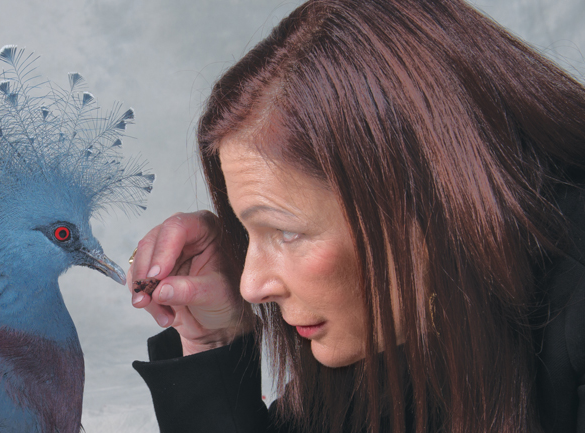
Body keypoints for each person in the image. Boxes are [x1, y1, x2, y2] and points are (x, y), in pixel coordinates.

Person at [127, 0, 585, 431]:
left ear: (427, 199)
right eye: (248, 235)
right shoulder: (394, 316)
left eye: (285, 232)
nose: (250, 286)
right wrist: (211, 341)